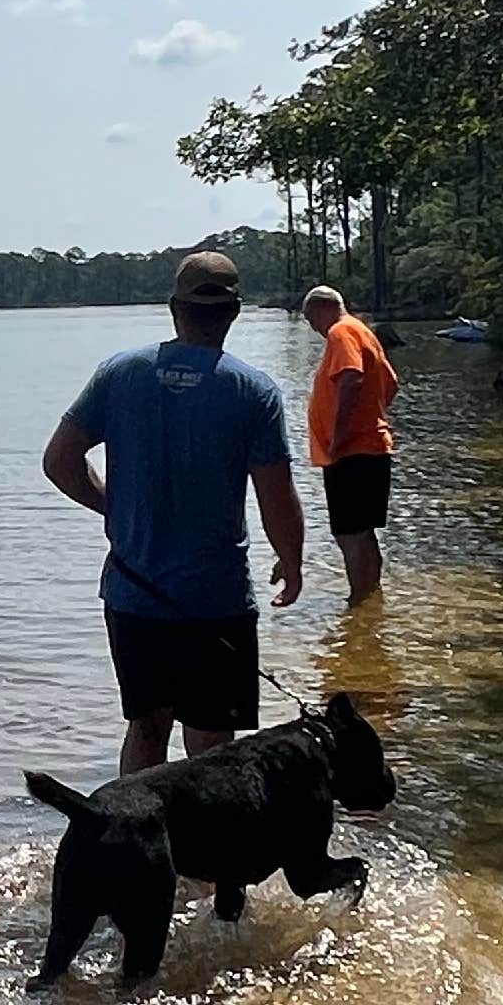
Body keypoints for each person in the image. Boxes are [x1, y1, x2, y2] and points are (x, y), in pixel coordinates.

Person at [40, 250, 304, 769]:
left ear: (174, 309)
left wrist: (113, 509)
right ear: (233, 312)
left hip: (133, 591)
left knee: (145, 729)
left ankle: (133, 822)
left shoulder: (120, 375)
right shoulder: (253, 391)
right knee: (212, 746)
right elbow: (277, 496)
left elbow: (59, 462)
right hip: (215, 600)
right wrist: (291, 563)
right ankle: (209, 826)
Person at [300, 285, 399, 604]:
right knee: (364, 531)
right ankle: (372, 599)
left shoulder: (341, 332)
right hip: (373, 447)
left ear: (321, 308)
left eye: (311, 320)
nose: (313, 328)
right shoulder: (364, 332)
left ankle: (358, 601)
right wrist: (371, 416)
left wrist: (340, 435)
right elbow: (391, 384)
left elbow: (352, 378)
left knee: (349, 533)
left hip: (351, 451)